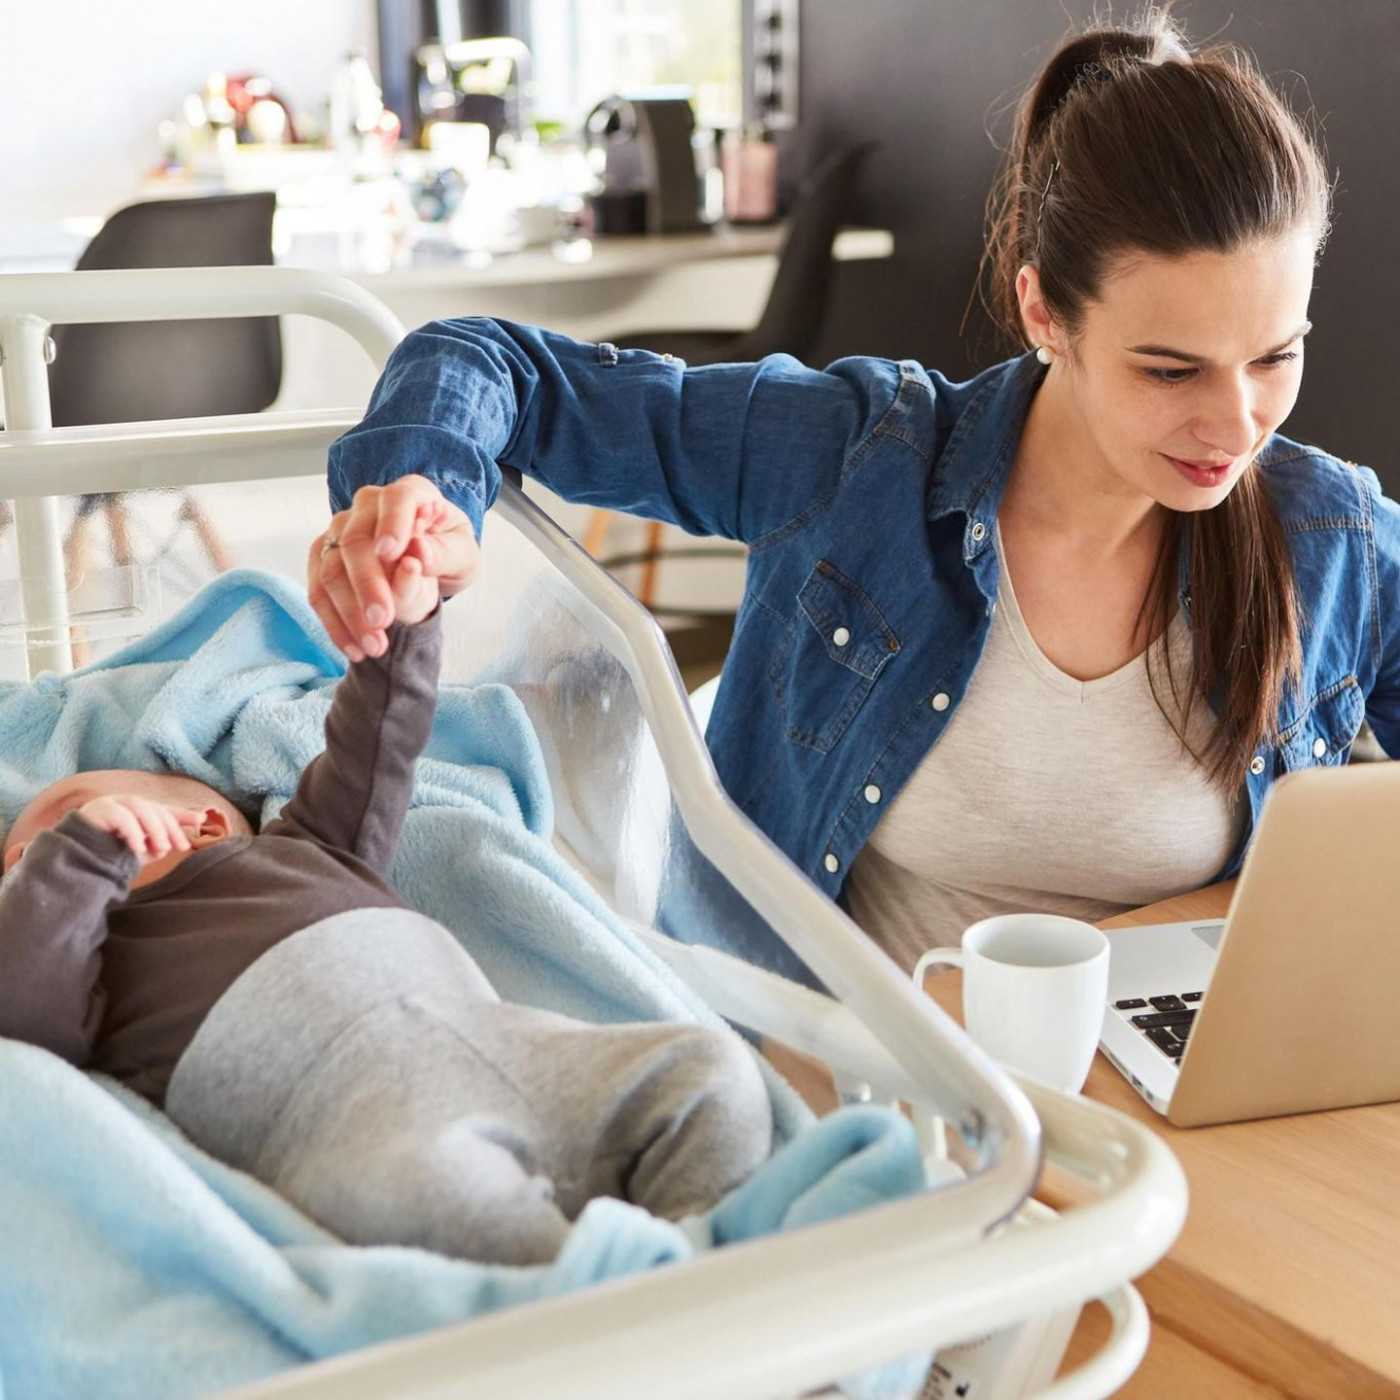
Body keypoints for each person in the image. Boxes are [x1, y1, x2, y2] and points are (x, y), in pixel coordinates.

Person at [313, 12, 1399, 979]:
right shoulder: (864, 458)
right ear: (1044, 313)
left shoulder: (1329, 537)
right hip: (863, 1078)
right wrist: (418, 494)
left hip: (1179, 1089)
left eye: (1275, 356)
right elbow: (488, 361)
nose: (1237, 425)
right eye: (1169, 370)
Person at [0, 514, 773, 1267]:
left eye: (61, 826)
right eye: (27, 872)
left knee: (712, 1073)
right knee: (447, 1210)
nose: (35, 868)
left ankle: (696, 1266)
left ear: (198, 824)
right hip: (346, 1124)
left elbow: (378, 741)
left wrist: (404, 624)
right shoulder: (94, 971)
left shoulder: (308, 847)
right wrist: (77, 862)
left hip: (514, 1046)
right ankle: (635, 1293)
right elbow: (25, 1026)